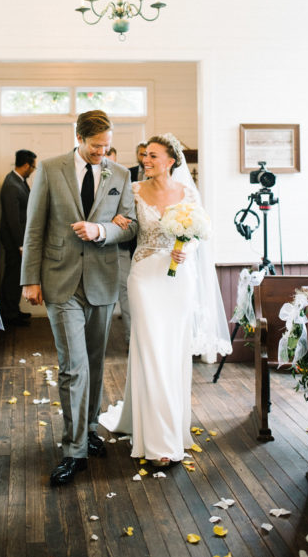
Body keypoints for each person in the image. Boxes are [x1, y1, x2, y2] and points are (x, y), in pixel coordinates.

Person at [99, 133, 231, 467]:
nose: (146, 161)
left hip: (178, 279)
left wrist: (186, 248)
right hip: (144, 275)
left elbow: (200, 233)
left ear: (171, 160)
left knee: (172, 351)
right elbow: (125, 226)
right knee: (151, 349)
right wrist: (116, 221)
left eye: (153, 156)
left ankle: (168, 425)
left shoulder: (187, 192)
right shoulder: (132, 190)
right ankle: (158, 442)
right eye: (144, 155)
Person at [20, 110, 137, 486]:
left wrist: (102, 229)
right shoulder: (50, 170)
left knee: (97, 363)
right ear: (79, 138)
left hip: (102, 281)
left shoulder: (119, 174)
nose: (102, 152)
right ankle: (73, 451)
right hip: (60, 281)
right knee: (74, 366)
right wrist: (30, 280)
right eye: (95, 146)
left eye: (106, 146)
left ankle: (89, 429)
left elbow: (130, 224)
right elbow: (34, 227)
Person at [0, 149, 37, 326]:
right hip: (14, 240)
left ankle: (14, 310)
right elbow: (13, 219)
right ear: (26, 165)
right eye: (33, 166)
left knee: (16, 276)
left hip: (19, 238)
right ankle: (9, 314)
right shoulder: (11, 185)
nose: (33, 170)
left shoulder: (19, 181)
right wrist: (21, 245)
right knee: (13, 276)